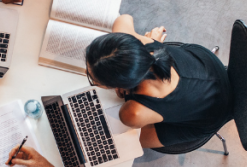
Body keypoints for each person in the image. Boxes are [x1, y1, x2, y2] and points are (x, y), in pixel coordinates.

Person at [85, 15, 233, 149]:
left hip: (211, 116)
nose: (86, 73)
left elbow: (132, 115)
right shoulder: (142, 43)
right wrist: (152, 42)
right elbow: (123, 19)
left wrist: (127, 92)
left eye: (92, 79)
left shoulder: (132, 113)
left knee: (126, 142)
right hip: (208, 67)